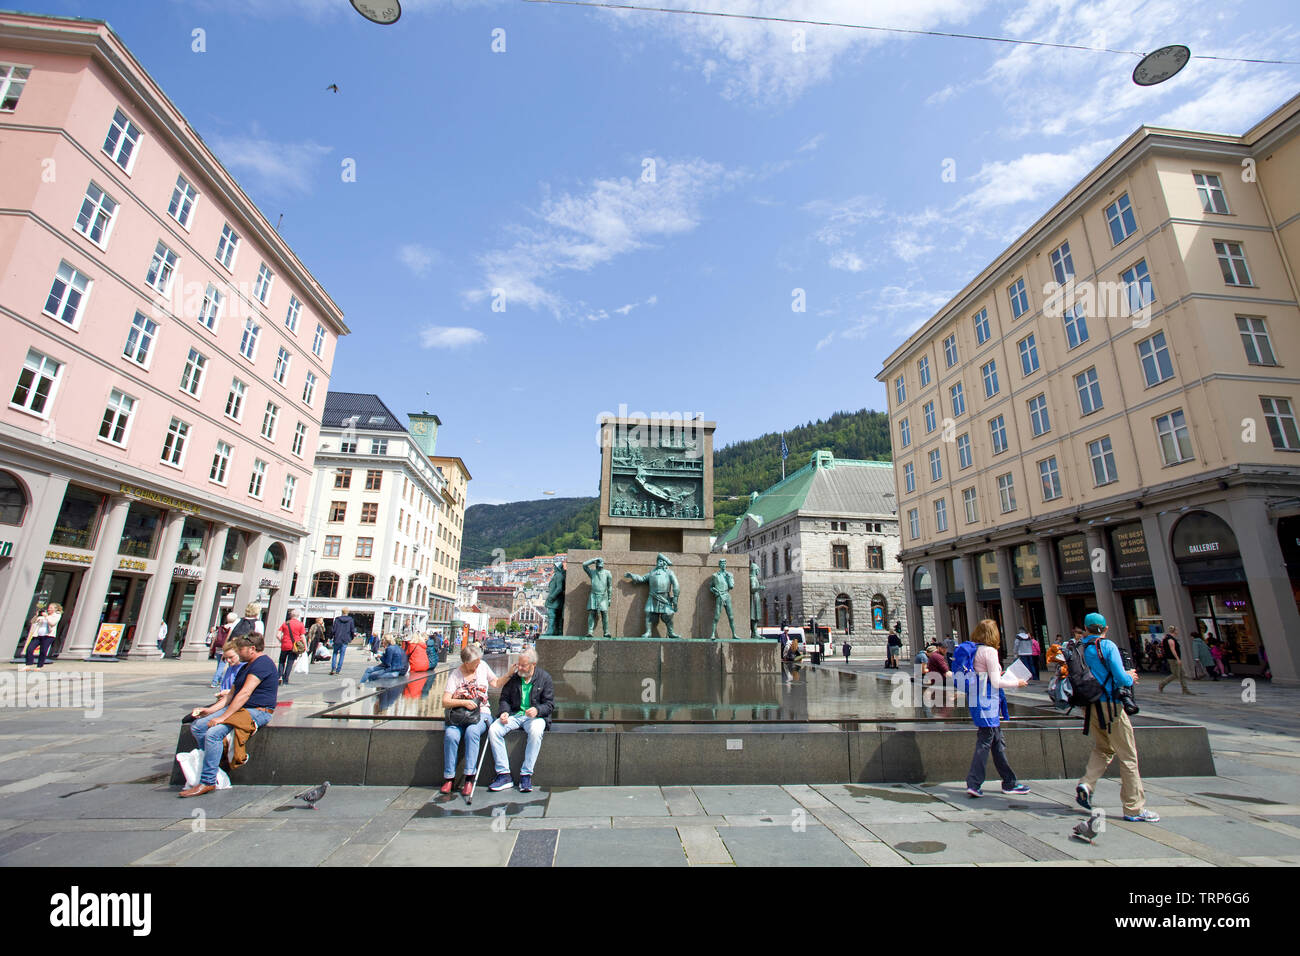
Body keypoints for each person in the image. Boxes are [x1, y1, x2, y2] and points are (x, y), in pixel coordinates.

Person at [1073, 613, 1159, 823]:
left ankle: (1087, 783)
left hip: (1090, 707)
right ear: (1105, 628)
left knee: (1103, 748)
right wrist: (1131, 676)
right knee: (1128, 756)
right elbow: (1121, 678)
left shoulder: (1079, 647)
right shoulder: (1108, 646)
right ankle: (1134, 808)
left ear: (1085, 628)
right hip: (1111, 705)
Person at [181, 634, 277, 797]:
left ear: (252, 649)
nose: (239, 653)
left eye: (240, 650)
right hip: (241, 708)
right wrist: (209, 711)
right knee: (198, 727)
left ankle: (208, 781)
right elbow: (231, 695)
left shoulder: (263, 664)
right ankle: (214, 764)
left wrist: (223, 717)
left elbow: (245, 694)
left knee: (213, 734)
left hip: (259, 711)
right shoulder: (246, 666)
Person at [441, 644, 515, 797]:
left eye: (479, 661)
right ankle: (449, 777)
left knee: (472, 731)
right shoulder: (456, 674)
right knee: (451, 735)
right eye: (475, 662)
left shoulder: (482, 666)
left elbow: (495, 683)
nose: (478, 664)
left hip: (481, 713)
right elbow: (445, 701)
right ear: (466, 662)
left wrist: (508, 674)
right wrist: (463, 702)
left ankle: (469, 777)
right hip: (459, 715)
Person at [486, 647, 554, 793]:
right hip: (515, 715)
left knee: (536, 731)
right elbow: (504, 698)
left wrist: (537, 710)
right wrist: (504, 712)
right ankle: (504, 774)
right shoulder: (514, 677)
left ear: (533, 665)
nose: (520, 668)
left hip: (535, 718)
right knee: (494, 729)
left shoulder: (545, 678)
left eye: (523, 665)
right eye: (519, 664)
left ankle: (526, 774)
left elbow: (549, 705)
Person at [21, 603, 62, 670]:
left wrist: (46, 616)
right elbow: (32, 622)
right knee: (29, 649)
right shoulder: (42, 616)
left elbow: (52, 623)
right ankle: (28, 664)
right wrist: (36, 616)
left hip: (48, 636)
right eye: (49, 608)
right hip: (37, 635)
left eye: (51, 608)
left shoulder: (56, 616)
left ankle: (39, 666)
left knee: (43, 651)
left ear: (55, 609)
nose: (49, 609)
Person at [1158, 626, 1193, 694]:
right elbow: (1173, 650)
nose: (1177, 631)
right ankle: (1162, 684)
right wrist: (1177, 659)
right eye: (1176, 630)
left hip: (1174, 658)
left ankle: (1185, 689)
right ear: (1174, 631)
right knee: (1175, 674)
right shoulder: (1170, 639)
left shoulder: (1170, 638)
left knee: (1181, 674)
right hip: (1173, 659)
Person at [276, 608, 305, 685]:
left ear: (290, 615)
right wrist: (305, 646)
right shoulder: (300, 624)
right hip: (294, 646)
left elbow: (278, 635)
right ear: (298, 616)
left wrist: (282, 641)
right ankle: (286, 679)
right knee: (290, 663)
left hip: (285, 645)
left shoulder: (285, 623)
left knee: (282, 661)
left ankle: (279, 676)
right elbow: (302, 637)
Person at [210, 613, 239, 687]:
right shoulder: (233, 627)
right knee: (224, 666)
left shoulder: (221, 627)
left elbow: (215, 637)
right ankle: (215, 681)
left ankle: (219, 680)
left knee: (219, 665)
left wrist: (212, 647)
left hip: (218, 648)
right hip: (226, 649)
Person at [330, 608, 356, 675]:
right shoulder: (350, 620)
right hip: (345, 639)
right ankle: (338, 669)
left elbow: (333, 629)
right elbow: (352, 630)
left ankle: (333, 668)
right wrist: (351, 637)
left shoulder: (337, 619)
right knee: (342, 654)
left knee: (335, 653)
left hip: (337, 638)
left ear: (342, 612)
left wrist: (331, 637)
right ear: (348, 612)